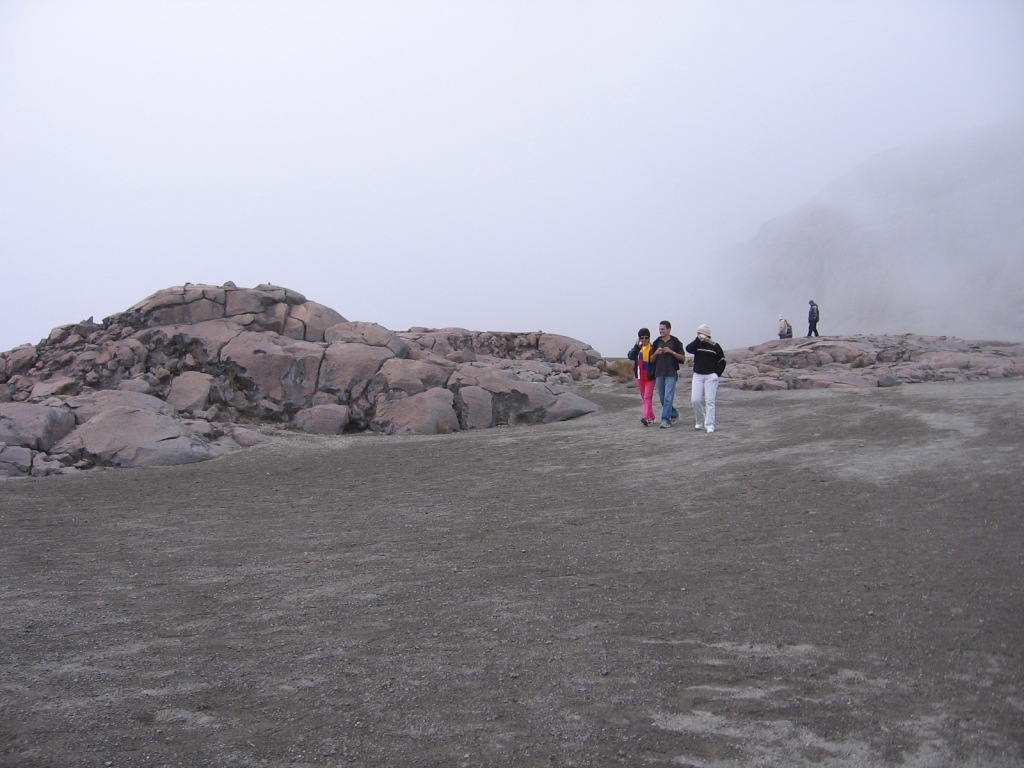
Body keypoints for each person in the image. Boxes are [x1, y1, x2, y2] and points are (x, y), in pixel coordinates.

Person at [685, 323, 726, 433]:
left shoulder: (715, 346)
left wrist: (717, 374)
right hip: (698, 375)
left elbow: (722, 360)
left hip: (710, 376)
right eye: (698, 334)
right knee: (695, 400)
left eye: (701, 334)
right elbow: (688, 349)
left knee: (709, 401)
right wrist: (697, 340)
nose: (699, 336)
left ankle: (709, 424)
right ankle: (700, 420)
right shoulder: (697, 345)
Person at [650, 320, 686, 428]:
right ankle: (674, 413)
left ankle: (665, 420)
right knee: (662, 398)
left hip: (671, 373)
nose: (661, 331)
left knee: (668, 398)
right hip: (659, 373)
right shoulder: (656, 342)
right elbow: (651, 360)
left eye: (663, 329)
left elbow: (683, 358)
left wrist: (671, 352)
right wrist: (656, 353)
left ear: (669, 329)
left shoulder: (675, 342)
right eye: (660, 329)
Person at [626, 328, 656, 426]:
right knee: (644, 398)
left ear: (649, 338)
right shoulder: (638, 349)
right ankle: (651, 417)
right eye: (641, 338)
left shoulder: (652, 348)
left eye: (646, 338)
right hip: (639, 376)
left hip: (650, 377)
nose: (644, 340)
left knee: (647, 397)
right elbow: (630, 356)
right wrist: (636, 346)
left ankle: (646, 417)